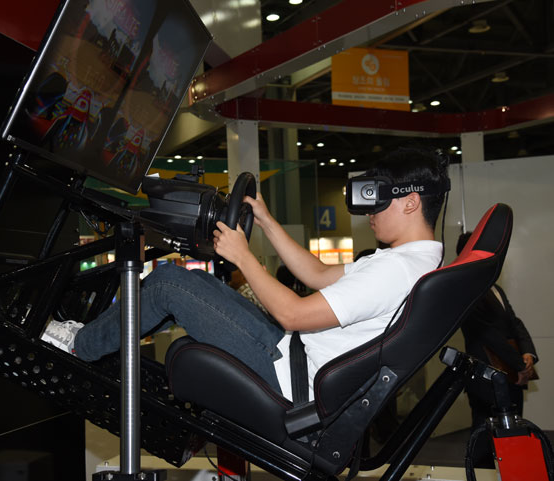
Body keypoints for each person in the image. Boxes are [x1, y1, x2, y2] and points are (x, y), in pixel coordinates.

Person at [42, 147, 449, 400]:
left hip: (288, 373)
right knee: (196, 282)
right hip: (293, 356)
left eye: (377, 201)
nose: (370, 213)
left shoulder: (396, 269)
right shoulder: (412, 263)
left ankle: (80, 345)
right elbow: (319, 273)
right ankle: (95, 337)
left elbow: (293, 314)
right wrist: (268, 222)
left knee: (168, 283)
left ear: (410, 203)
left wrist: (243, 256)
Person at [457, 231, 538, 467]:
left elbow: (514, 322)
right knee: (485, 438)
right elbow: (487, 335)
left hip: (511, 374)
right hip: (486, 378)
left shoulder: (494, 288)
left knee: (511, 435)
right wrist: (519, 363)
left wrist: (528, 354)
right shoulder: (465, 290)